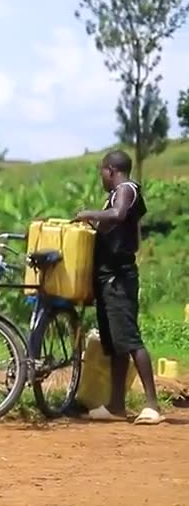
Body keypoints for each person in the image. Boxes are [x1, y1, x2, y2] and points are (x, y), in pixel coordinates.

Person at [75, 149, 163, 425]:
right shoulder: (114, 196)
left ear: (111, 170)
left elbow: (120, 214)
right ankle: (116, 406)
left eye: (102, 171)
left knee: (130, 339)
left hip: (119, 278)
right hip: (107, 277)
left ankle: (152, 405)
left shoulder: (125, 190)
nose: (101, 176)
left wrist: (87, 213)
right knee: (116, 344)